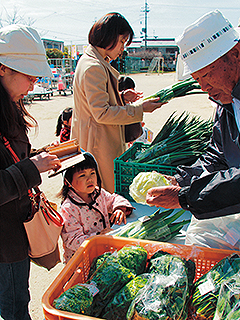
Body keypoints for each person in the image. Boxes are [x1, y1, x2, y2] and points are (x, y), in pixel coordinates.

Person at [146, 10, 240, 220]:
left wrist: (187, 197)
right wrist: (182, 180)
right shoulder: (226, 101)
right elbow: (217, 156)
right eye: (197, 79)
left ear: (236, 53)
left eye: (207, 74)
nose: (204, 87)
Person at [0, 24, 61, 320]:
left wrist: (37, 158)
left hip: (14, 229)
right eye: (30, 77)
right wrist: (30, 168)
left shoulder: (10, 105)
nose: (33, 85)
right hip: (5, 239)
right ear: (3, 69)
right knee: (14, 307)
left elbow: (9, 158)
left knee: (15, 299)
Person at [71, 12, 166, 193]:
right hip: (98, 143)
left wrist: (120, 97)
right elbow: (101, 113)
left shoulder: (93, 61)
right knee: (104, 193)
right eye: (122, 42)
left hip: (96, 138)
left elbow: (94, 102)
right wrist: (140, 108)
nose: (123, 48)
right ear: (110, 37)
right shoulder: (94, 67)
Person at [58, 152, 134, 263]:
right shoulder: (69, 208)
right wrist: (98, 237)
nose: (90, 179)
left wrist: (119, 208)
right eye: (82, 175)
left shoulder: (98, 193)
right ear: (68, 182)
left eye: (92, 173)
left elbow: (113, 199)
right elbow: (73, 239)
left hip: (104, 249)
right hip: (81, 259)